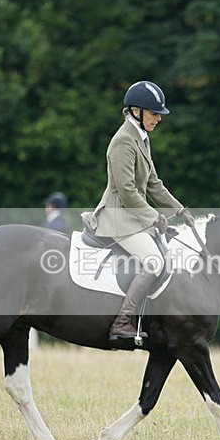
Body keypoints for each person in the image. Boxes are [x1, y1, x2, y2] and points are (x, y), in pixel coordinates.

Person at [82, 80, 195, 343]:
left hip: (133, 216)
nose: (158, 119)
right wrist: (154, 217)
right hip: (117, 218)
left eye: (159, 114)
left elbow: (154, 184)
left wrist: (179, 210)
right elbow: (127, 191)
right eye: (154, 113)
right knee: (155, 260)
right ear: (136, 111)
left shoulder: (141, 139)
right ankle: (122, 322)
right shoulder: (123, 141)